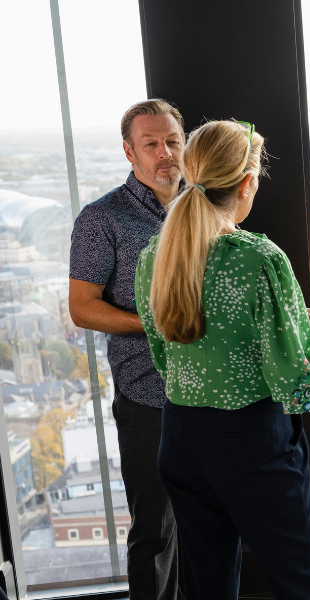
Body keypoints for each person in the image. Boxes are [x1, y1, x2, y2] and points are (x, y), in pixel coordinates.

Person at [134, 119, 310, 599]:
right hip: (250, 444)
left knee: (207, 586)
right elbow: (295, 381)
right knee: (304, 581)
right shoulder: (257, 257)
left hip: (181, 437)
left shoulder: (155, 256)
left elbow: (168, 355)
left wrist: (280, 317)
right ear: (246, 183)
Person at [68, 99, 188, 600]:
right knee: (156, 533)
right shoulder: (101, 219)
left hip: (214, 394)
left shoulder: (203, 207)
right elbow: (82, 309)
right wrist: (157, 325)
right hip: (148, 400)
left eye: (173, 142)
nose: (165, 154)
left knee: (209, 526)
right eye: (151, 144)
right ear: (129, 152)